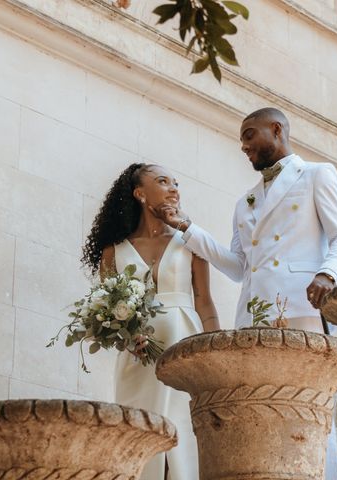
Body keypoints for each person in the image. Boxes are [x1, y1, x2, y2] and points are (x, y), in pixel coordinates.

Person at [153, 107, 337, 479]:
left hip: (301, 305)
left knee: (310, 404)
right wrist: (188, 229)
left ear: (276, 130)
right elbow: (237, 266)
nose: (243, 146)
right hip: (253, 315)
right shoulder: (243, 201)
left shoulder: (315, 175)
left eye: (249, 135)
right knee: (258, 405)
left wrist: (328, 273)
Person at [81, 163, 219, 480]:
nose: (174, 188)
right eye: (163, 181)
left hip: (186, 350)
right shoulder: (112, 252)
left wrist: (213, 355)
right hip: (138, 359)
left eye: (176, 182)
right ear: (140, 194)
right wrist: (126, 338)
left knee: (182, 438)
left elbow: (204, 302)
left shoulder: (190, 242)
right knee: (140, 434)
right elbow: (105, 309)